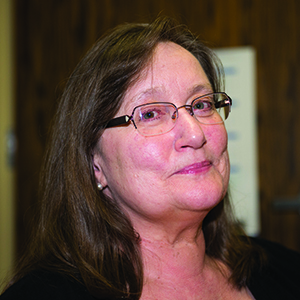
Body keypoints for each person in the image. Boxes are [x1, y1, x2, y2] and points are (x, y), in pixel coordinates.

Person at [1, 16, 300, 300]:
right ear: (96, 165)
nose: (196, 134)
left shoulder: (285, 271)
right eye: (150, 114)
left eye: (203, 104)